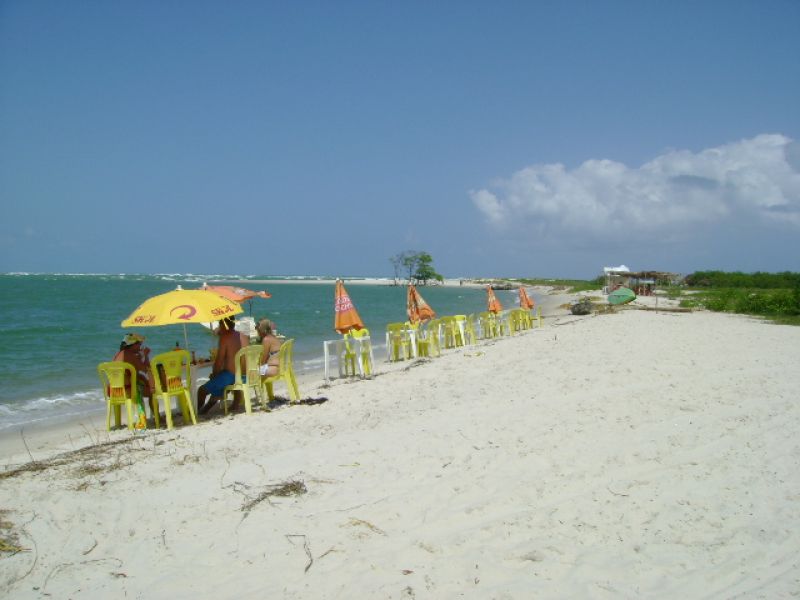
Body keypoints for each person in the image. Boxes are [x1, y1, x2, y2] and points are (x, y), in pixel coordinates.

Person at [197, 316, 245, 415]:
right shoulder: (243, 335)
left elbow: (219, 361)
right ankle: (205, 410)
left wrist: (214, 375)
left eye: (220, 324)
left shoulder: (225, 338)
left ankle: (197, 412)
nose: (219, 326)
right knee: (219, 385)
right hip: (244, 375)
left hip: (230, 376)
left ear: (224, 325)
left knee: (201, 390)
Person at [113, 333, 153, 429]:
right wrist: (146, 355)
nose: (140, 346)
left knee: (141, 382)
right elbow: (146, 368)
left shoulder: (119, 354)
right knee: (152, 391)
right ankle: (145, 419)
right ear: (133, 345)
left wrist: (140, 356)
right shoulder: (130, 355)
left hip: (115, 391)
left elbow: (135, 369)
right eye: (139, 344)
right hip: (128, 390)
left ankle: (119, 422)